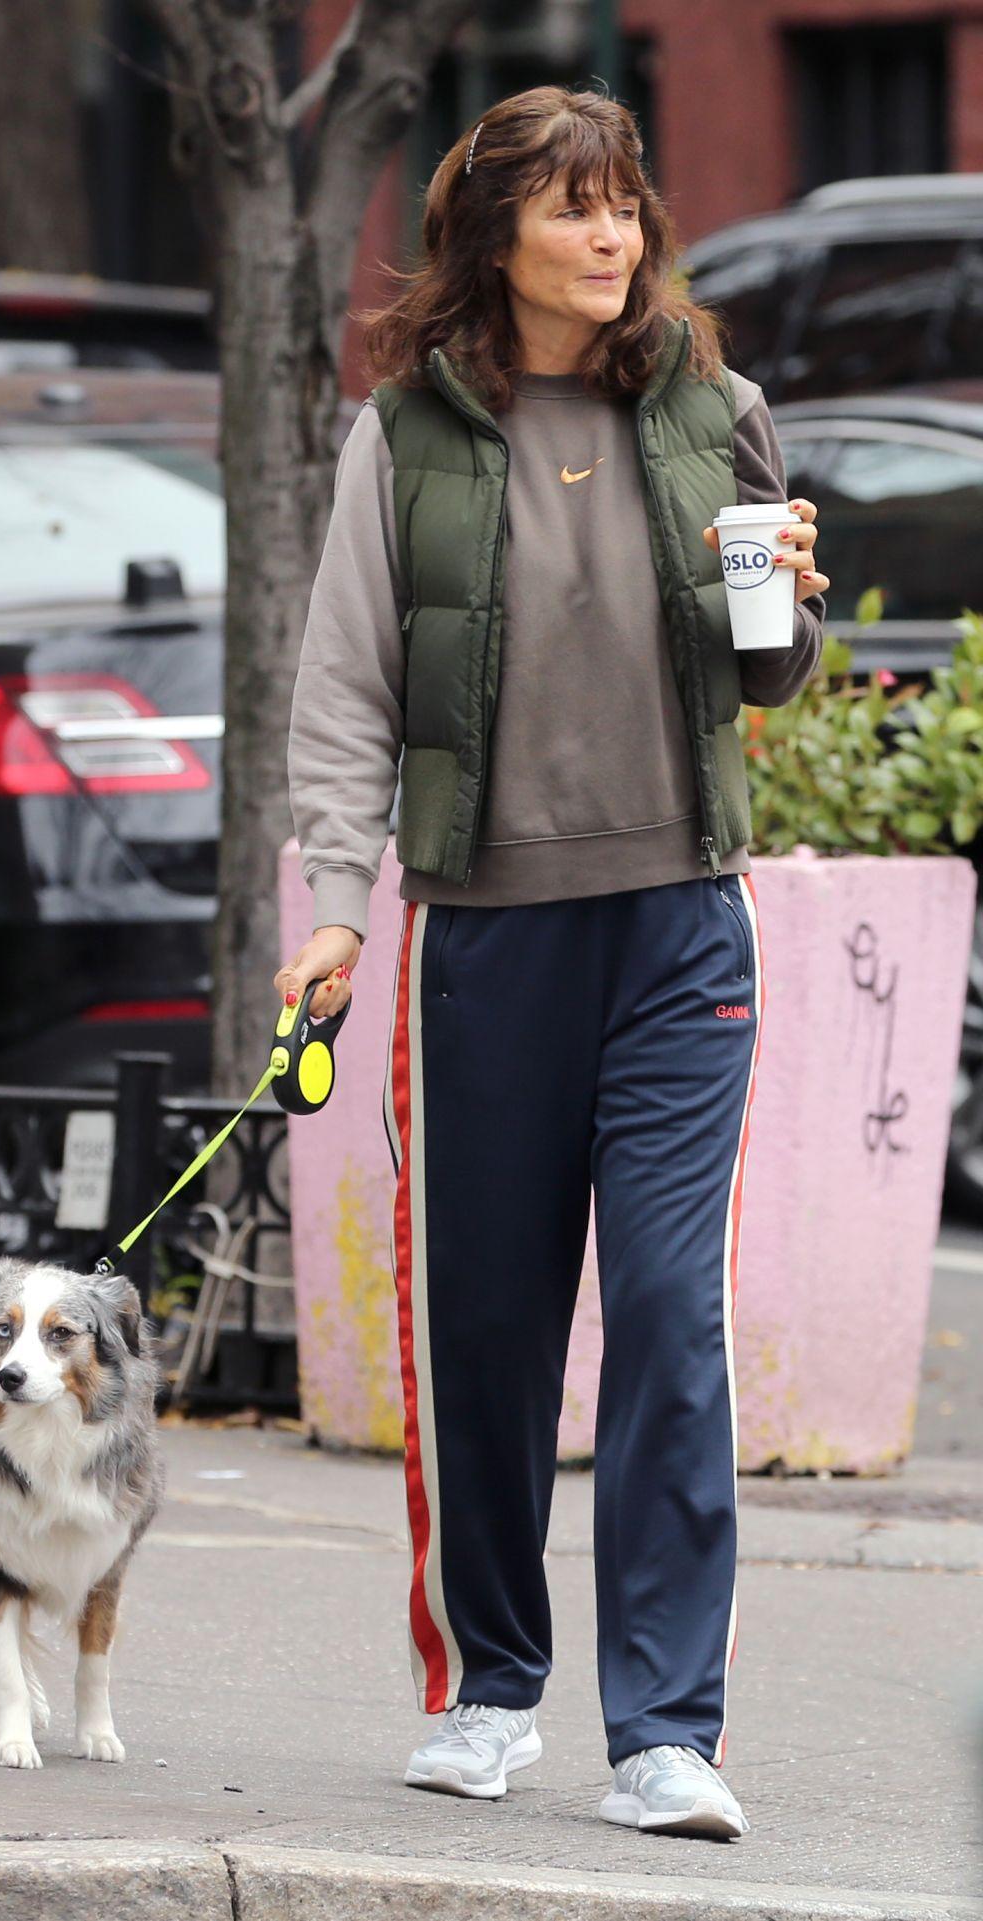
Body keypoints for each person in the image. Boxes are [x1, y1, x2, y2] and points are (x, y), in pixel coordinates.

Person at [274, 84, 828, 1843]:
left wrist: (795, 598)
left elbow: (772, 672)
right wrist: (344, 906)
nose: (616, 237)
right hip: (485, 936)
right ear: (495, 230)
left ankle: (667, 1726)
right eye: (578, 209)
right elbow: (351, 680)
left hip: (681, 924)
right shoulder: (410, 434)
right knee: (488, 1327)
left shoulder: (713, 406)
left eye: (628, 206)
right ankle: (486, 1685)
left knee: (671, 1318)